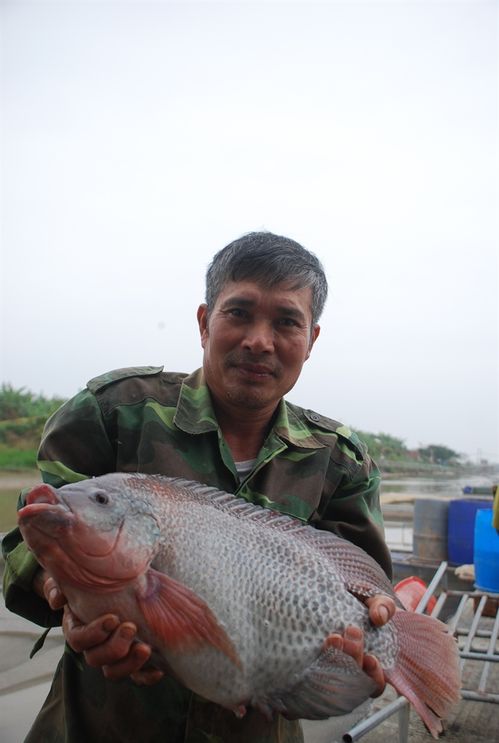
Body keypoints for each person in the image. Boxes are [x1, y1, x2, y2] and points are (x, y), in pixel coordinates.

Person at [3, 231, 395, 743]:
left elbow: (368, 591)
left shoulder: (340, 461)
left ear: (311, 340)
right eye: (239, 313)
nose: (259, 340)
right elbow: (26, 536)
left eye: (286, 322)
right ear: (205, 321)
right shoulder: (112, 412)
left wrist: (365, 646)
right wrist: (61, 593)